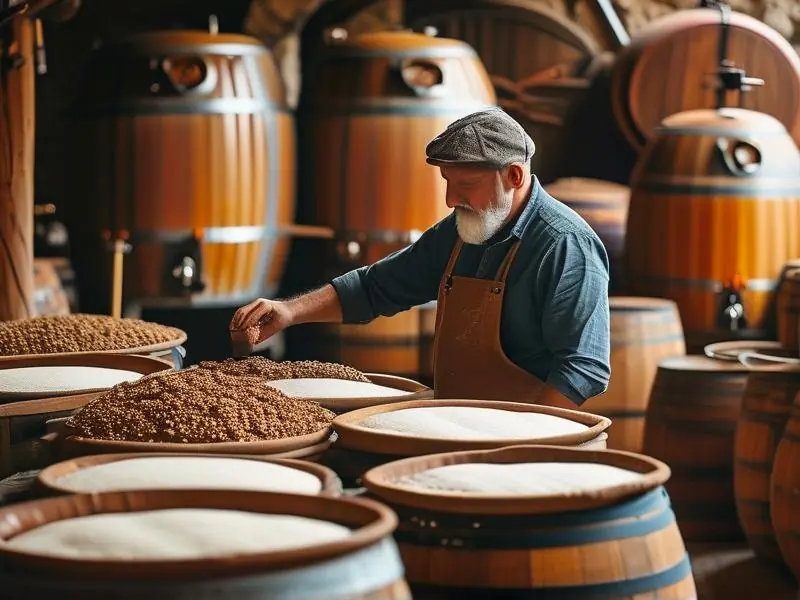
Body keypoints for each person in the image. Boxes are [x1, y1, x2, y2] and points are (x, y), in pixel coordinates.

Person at [230, 107, 611, 408]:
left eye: (466, 185)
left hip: (538, 446)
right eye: (448, 182)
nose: (450, 200)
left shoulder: (564, 244)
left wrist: (521, 442)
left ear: (513, 176)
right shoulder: (464, 228)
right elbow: (375, 287)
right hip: (462, 424)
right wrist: (291, 312)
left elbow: (583, 369)